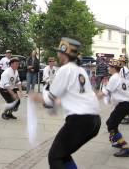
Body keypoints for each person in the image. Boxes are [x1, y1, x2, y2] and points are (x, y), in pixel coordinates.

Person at [31, 37, 101, 168]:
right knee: (63, 154)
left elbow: (49, 100)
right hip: (94, 120)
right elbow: (73, 95)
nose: (57, 54)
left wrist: (36, 97)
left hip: (80, 120)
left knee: (55, 156)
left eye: (59, 51)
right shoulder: (80, 70)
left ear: (64, 54)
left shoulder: (65, 69)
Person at [97, 59, 129, 157]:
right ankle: (117, 141)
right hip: (125, 104)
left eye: (110, 67)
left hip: (123, 105)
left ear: (114, 68)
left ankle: (126, 148)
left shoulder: (114, 77)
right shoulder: (120, 77)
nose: (108, 68)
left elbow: (105, 92)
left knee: (111, 125)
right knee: (111, 123)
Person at [119, 56, 129, 124]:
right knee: (127, 102)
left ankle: (125, 118)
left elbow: (121, 79)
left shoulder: (122, 69)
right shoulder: (127, 68)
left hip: (127, 87)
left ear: (122, 62)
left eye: (120, 62)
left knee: (123, 103)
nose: (119, 63)